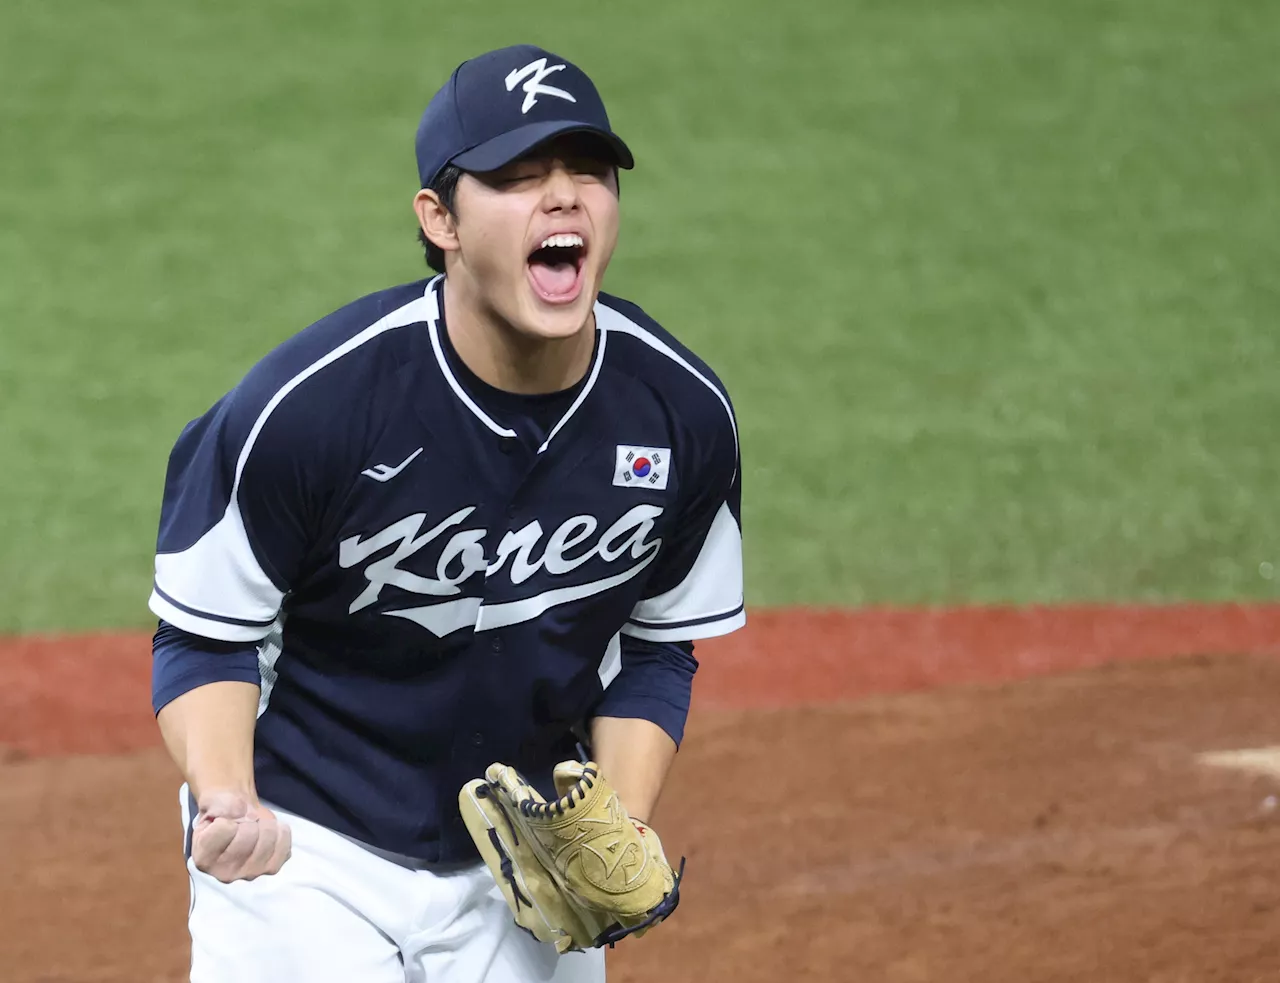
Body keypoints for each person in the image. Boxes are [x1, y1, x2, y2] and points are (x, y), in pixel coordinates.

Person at [148, 43, 744, 982]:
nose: (562, 198)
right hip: (306, 847)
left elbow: (657, 646)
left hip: (521, 858)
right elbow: (205, 637)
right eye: (516, 176)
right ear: (441, 219)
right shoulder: (313, 408)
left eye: (588, 171)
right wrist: (227, 799)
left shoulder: (681, 416)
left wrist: (613, 828)